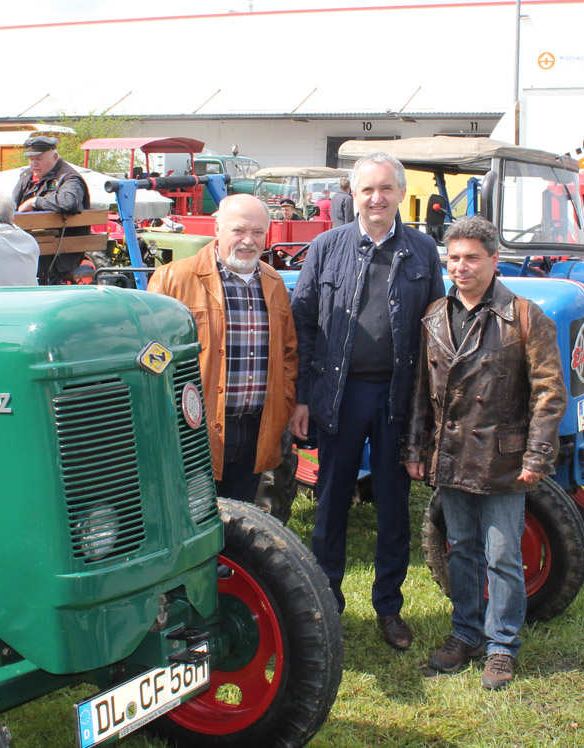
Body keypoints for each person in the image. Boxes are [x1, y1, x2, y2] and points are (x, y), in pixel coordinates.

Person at [402, 215, 566, 690]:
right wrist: (415, 447)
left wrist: (536, 455)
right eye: (453, 258)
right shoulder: (434, 316)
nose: (461, 267)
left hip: (503, 459)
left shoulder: (524, 316)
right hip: (450, 454)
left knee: (502, 556)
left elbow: (549, 392)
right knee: (462, 551)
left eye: (472, 257)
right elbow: (419, 391)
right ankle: (466, 633)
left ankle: (501, 647)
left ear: (495, 261)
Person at [289, 152, 443, 647]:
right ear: (352, 195)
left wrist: (431, 405)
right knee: (331, 500)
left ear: (400, 193)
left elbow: (435, 328)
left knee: (394, 505)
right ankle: (326, 603)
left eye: (385, 189)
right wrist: (304, 398)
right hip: (340, 394)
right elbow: (305, 325)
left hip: (397, 396)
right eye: (367, 190)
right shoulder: (326, 248)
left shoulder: (423, 250)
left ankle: (389, 607)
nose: (376, 198)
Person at [148, 194, 298, 504]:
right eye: (239, 231)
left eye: (258, 232)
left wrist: (282, 403)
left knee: (240, 522)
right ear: (217, 228)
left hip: (256, 430)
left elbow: (287, 354)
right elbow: (152, 360)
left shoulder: (273, 283)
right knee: (193, 518)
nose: (248, 241)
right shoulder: (173, 279)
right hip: (195, 434)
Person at [10, 135, 90, 284]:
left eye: (38, 159)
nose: (33, 163)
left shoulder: (69, 178)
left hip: (58, 255)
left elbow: (68, 203)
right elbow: (12, 204)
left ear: (55, 157)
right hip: (31, 246)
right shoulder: (27, 177)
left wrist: (35, 201)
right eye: (31, 159)